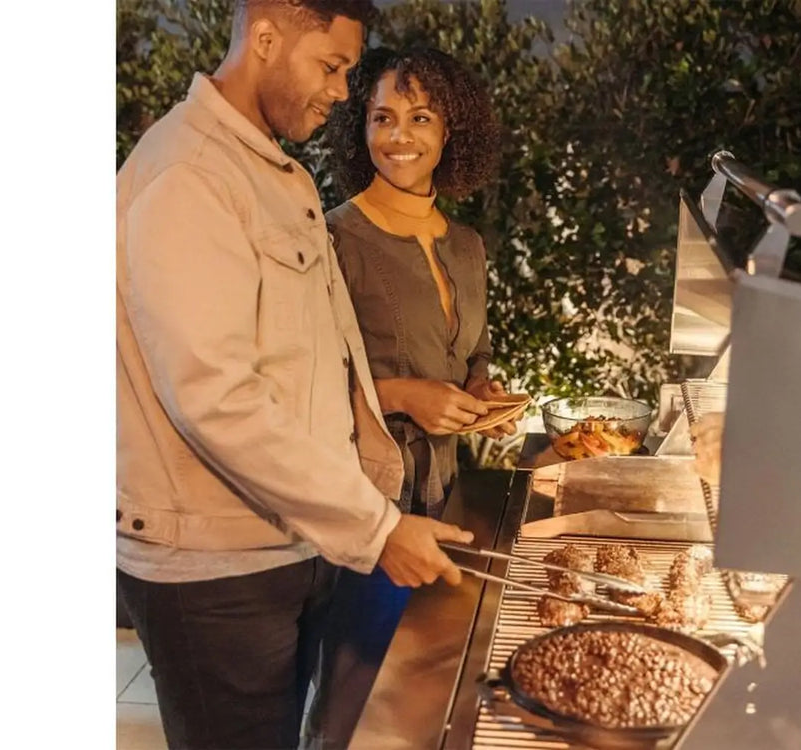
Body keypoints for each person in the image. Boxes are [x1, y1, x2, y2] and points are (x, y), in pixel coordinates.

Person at [115, 3, 475, 748]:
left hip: (287, 543)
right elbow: (217, 400)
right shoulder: (188, 175)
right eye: (334, 66)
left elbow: (319, 364)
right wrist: (377, 528)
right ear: (267, 38)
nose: (343, 93)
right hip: (215, 572)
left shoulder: (272, 173)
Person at [304, 46, 516, 748]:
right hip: (368, 501)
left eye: (420, 117)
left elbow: (471, 353)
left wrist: (481, 391)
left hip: (446, 493)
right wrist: (400, 395)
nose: (400, 136)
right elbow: (299, 379)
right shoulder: (334, 238)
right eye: (382, 117)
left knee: (417, 702)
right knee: (353, 698)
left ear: (450, 130)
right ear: (358, 128)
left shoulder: (466, 244)